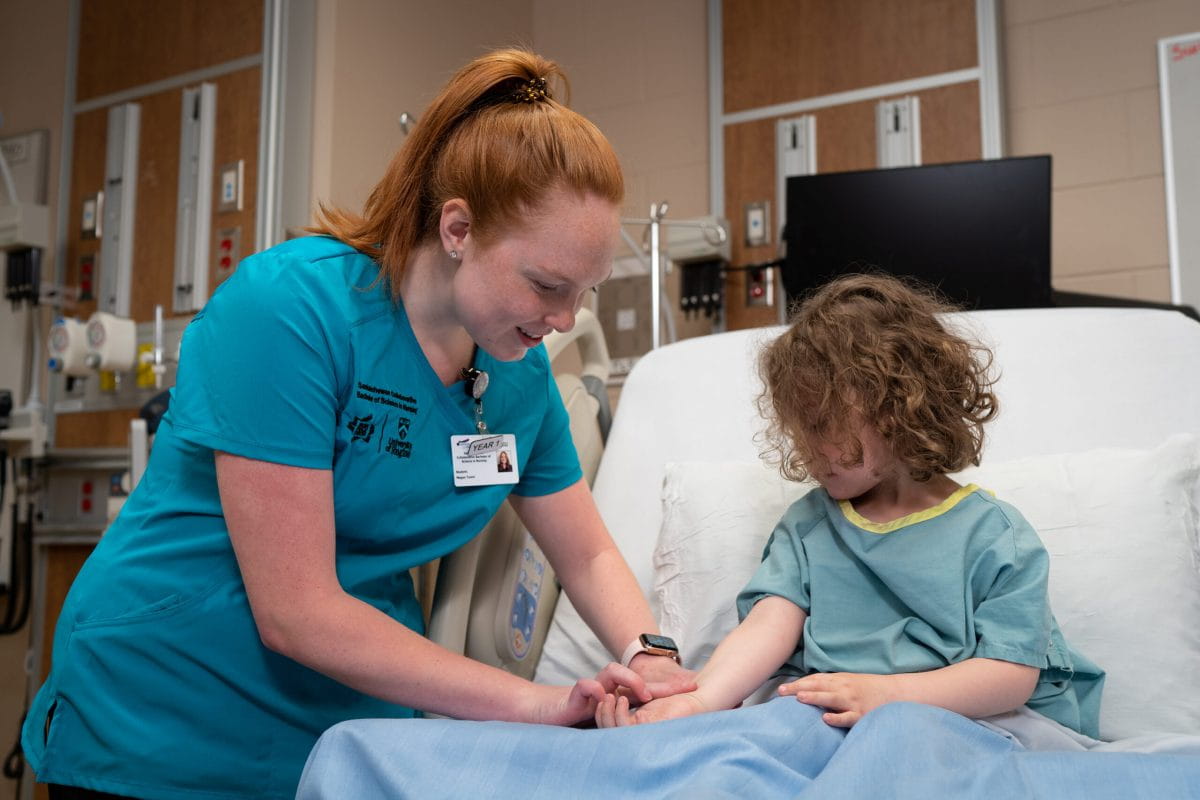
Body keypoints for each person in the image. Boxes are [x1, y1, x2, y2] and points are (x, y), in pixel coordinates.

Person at [23, 48, 693, 800]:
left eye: (587, 292)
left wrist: (650, 658)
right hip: (165, 716)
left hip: (343, 738)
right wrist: (539, 707)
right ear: (458, 227)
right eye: (547, 285)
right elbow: (297, 612)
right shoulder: (290, 312)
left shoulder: (520, 376)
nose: (566, 318)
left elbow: (589, 555)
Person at [596, 273, 1105, 739]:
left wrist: (889, 696)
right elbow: (768, 626)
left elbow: (1010, 675)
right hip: (823, 719)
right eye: (800, 431)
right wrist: (701, 701)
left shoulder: (995, 537)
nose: (808, 449)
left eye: (822, 426)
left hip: (954, 721)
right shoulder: (810, 527)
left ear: (900, 408)